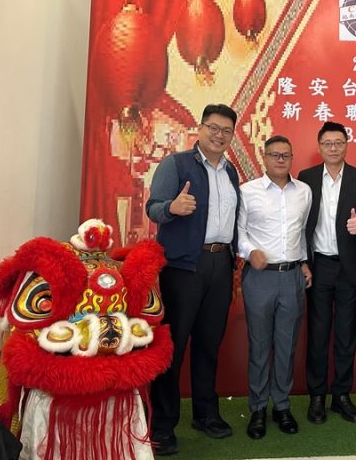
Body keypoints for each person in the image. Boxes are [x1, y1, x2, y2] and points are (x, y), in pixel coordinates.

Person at [145, 103, 240, 456]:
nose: (219, 135)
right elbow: (153, 207)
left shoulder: (231, 172)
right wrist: (172, 208)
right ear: (200, 129)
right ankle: (162, 425)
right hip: (184, 267)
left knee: (208, 344)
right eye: (213, 128)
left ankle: (205, 414)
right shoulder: (176, 164)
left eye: (226, 131)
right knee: (173, 347)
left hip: (221, 263)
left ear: (232, 136)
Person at [298, 122, 356, 425]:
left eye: (338, 142)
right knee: (317, 334)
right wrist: (303, 260)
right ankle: (317, 396)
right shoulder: (306, 178)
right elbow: (298, 222)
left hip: (348, 267)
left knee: (346, 334)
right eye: (327, 143)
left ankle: (342, 395)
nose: (333, 148)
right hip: (318, 266)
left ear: (346, 145)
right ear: (319, 146)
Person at [237, 135, 313, 440]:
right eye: (274, 155)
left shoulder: (304, 192)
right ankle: (258, 408)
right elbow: (239, 232)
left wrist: (304, 261)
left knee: (286, 345)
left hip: (292, 277)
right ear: (264, 158)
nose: (280, 160)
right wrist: (249, 252)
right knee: (259, 346)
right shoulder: (247, 191)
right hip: (259, 277)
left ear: (292, 158)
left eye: (286, 155)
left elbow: (302, 231)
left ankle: (281, 405)